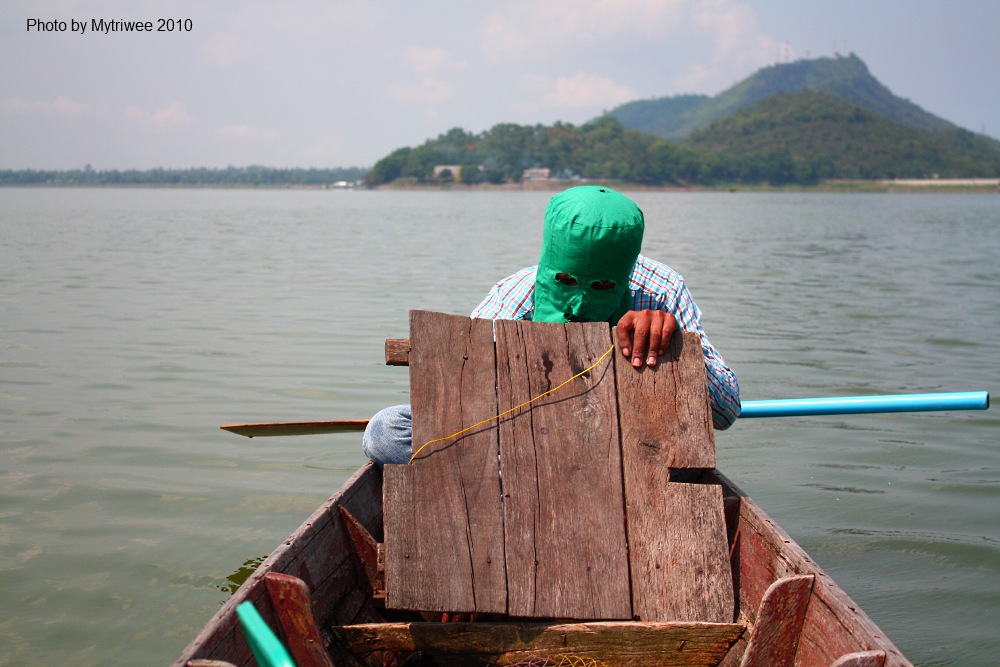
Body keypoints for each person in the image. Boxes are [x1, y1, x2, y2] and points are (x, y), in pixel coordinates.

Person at [363, 185, 740, 466]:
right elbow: (453, 400)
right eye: (564, 281)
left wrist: (672, 345)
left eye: (603, 287)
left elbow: (725, 412)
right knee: (386, 431)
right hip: (523, 446)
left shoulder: (662, 291)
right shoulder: (513, 297)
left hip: (626, 447)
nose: (577, 304)